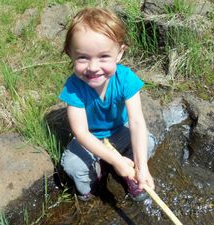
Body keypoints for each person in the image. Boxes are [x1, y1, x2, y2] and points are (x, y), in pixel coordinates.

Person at [59, 7, 155, 201]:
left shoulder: (126, 79)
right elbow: (81, 133)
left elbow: (136, 123)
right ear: (70, 53)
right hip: (90, 139)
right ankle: (96, 174)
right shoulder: (73, 88)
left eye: (103, 56)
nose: (93, 67)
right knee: (72, 166)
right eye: (83, 57)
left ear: (119, 53)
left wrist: (141, 167)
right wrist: (115, 160)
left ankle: (132, 173)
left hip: (119, 131)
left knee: (148, 142)